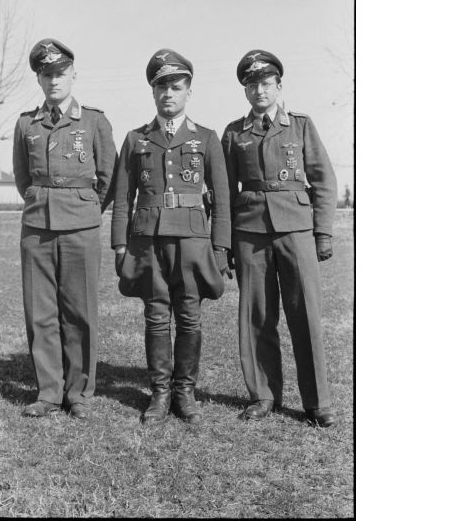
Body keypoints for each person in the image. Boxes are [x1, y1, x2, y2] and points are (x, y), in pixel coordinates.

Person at [111, 49, 231, 425]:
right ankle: (160, 394)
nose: (168, 94)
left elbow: (223, 200)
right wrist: (119, 245)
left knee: (190, 317)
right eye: (161, 87)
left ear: (188, 92)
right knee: (156, 315)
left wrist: (221, 249)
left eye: (176, 87)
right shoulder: (135, 139)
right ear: (153, 92)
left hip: (193, 242)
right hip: (148, 241)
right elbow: (121, 199)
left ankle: (185, 393)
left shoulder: (207, 138)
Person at [221, 49, 338, 427]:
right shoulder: (234, 133)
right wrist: (223, 243)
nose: (259, 90)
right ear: (245, 91)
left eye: (266, 83)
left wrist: (322, 232)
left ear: (279, 86)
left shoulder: (300, 125)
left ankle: (317, 402)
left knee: (305, 314)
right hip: (250, 232)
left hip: (296, 229)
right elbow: (223, 192)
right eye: (251, 84)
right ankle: (263, 395)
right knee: (257, 315)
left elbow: (323, 180)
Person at [12, 38, 117, 419]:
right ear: (39, 79)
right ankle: (49, 392)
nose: (54, 80)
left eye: (60, 73)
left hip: (80, 227)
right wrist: (46, 204)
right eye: (46, 74)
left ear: (73, 75)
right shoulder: (27, 123)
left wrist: (84, 208)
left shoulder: (94, 121)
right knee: (40, 311)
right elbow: (24, 179)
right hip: (37, 227)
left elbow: (108, 177)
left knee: (80, 311)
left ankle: (80, 393)